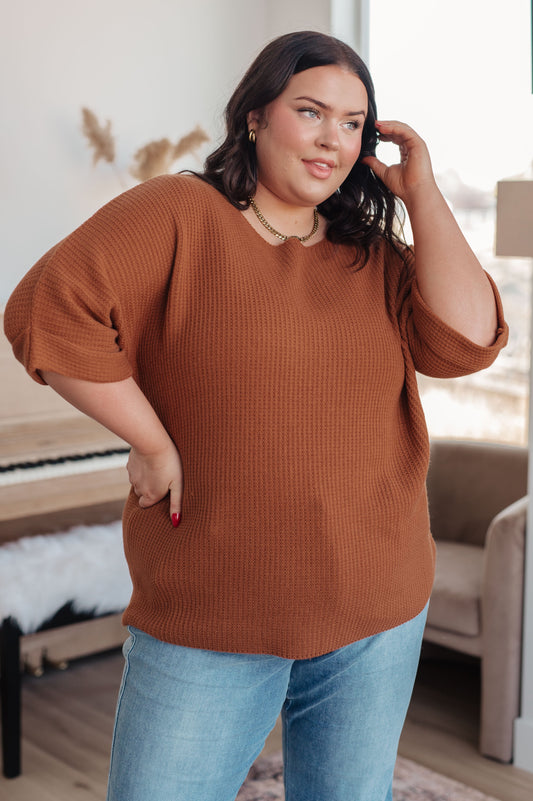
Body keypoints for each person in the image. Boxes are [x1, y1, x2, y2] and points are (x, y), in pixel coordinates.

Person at [4, 30, 507, 801]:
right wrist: (152, 442)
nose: (331, 138)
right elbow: (48, 310)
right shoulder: (178, 212)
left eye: (352, 123)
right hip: (212, 606)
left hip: (377, 598)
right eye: (310, 111)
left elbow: (466, 343)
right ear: (253, 116)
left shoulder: (370, 251)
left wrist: (422, 195)